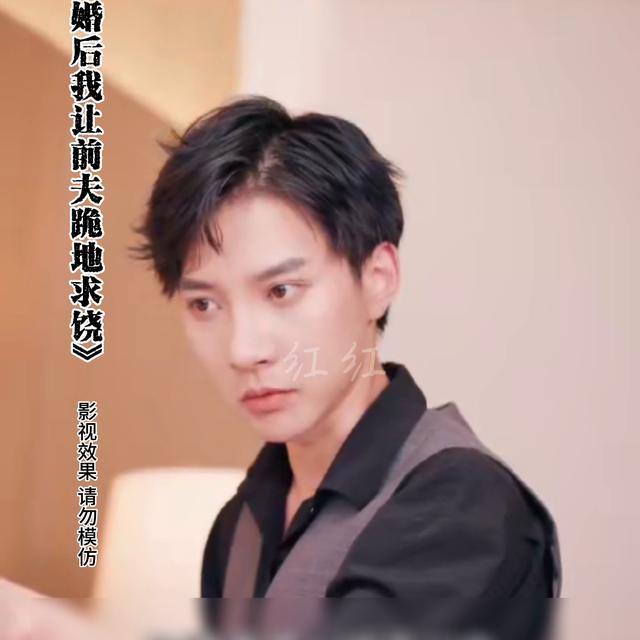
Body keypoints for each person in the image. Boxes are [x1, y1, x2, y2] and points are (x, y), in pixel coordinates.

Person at [130, 95, 561, 639]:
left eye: (281, 291)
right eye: (204, 304)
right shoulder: (240, 524)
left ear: (378, 278)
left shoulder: (461, 503)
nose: (243, 349)